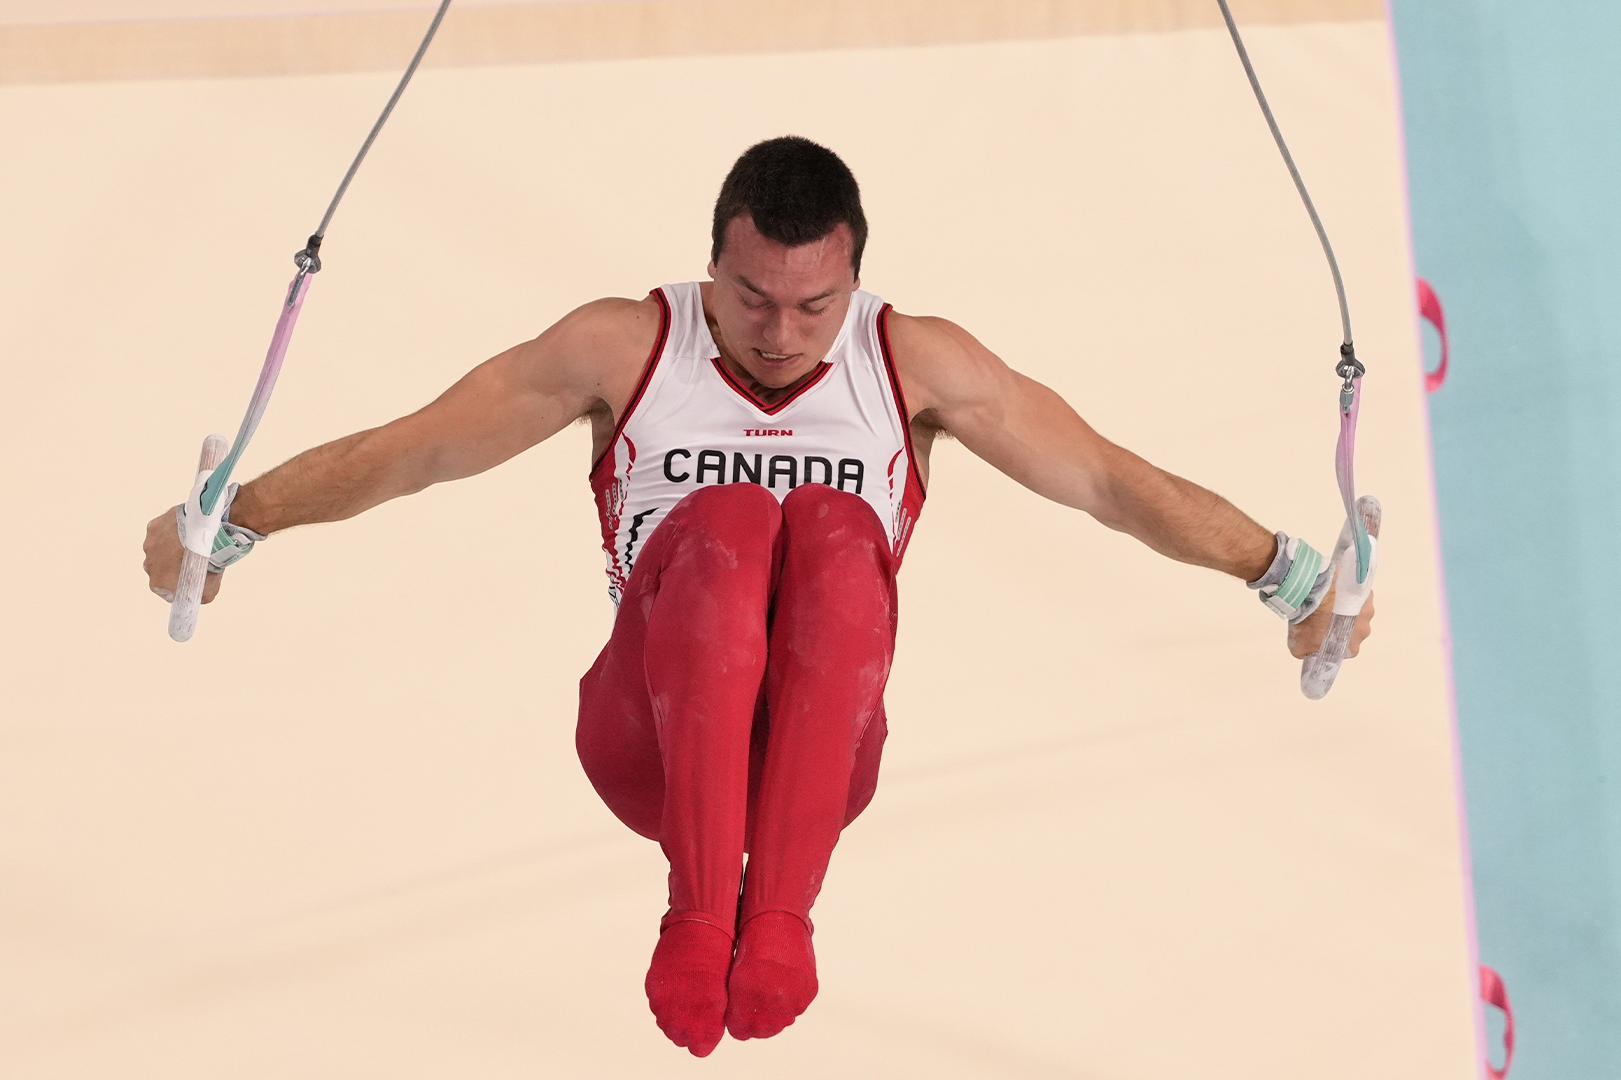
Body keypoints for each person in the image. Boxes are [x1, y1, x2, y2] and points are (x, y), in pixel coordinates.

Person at [141, 136, 1373, 1057]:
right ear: (710, 268)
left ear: (856, 286)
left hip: (819, 757)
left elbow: (1109, 479)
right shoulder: (624, 346)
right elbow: (417, 448)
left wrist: (1292, 578)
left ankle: (774, 922)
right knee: (730, 521)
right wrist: (236, 518)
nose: (779, 333)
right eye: (750, 299)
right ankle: (698, 919)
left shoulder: (916, 362)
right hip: (654, 743)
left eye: (812, 308)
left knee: (838, 534)